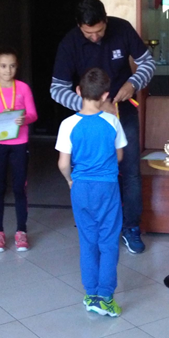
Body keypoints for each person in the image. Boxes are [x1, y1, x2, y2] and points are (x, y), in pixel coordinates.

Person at [50, 0, 155, 254]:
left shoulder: (122, 29)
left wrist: (133, 84)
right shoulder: (70, 43)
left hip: (123, 113)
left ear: (106, 21)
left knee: (130, 171)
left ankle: (131, 227)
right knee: (94, 174)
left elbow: (148, 63)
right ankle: (97, 228)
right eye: (89, 33)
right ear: (79, 26)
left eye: (99, 31)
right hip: (88, 121)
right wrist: (91, 105)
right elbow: (57, 89)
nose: (95, 37)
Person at [55, 68, 127, 317]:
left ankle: (90, 294)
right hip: (107, 187)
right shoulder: (112, 121)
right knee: (108, 242)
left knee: (87, 241)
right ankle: (105, 297)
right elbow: (119, 156)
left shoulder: (68, 124)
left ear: (78, 91)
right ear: (106, 95)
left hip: (80, 187)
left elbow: (63, 164)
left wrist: (70, 180)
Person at [0, 46, 38, 253]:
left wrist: (24, 118)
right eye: (4, 66)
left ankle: (21, 231)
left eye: (12, 66)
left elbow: (33, 114)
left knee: (19, 188)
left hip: (19, 143)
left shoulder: (23, 88)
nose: (8, 70)